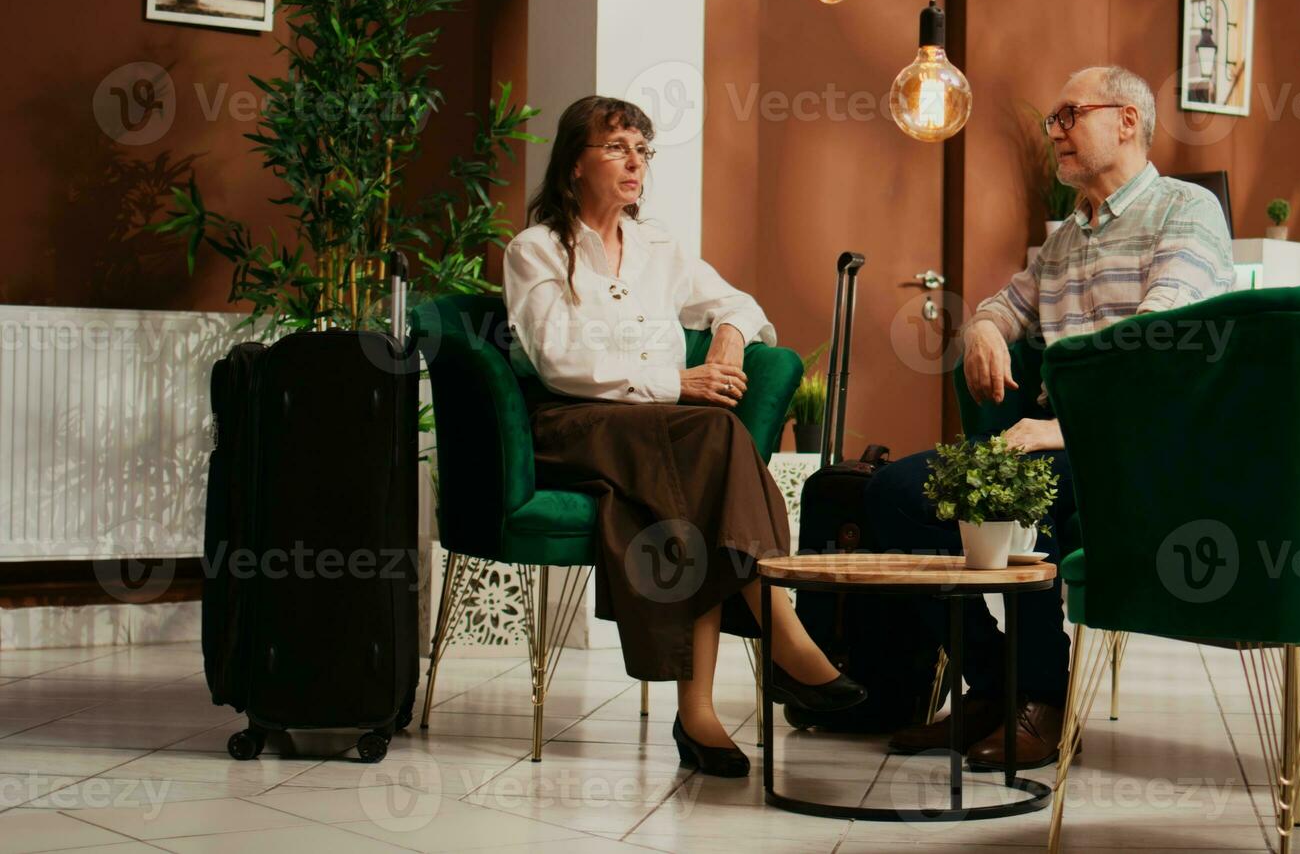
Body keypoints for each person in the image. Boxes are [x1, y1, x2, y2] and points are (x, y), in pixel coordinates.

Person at [866, 66, 1235, 769]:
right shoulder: (1069, 235)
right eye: (1054, 118)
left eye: (1070, 115)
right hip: (1052, 440)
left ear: (1126, 121)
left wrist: (1060, 430)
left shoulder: (1182, 212)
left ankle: (1041, 696)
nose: (1055, 131)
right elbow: (1010, 303)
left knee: (1020, 481)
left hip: (1142, 447)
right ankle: (993, 683)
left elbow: (1155, 355)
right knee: (892, 495)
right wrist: (980, 330)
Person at [502, 95, 865, 778]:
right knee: (710, 437)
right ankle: (779, 638)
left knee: (700, 476)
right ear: (574, 163)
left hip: (657, 434)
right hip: (571, 425)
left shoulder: (655, 244)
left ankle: (700, 714)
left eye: (643, 148)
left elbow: (739, 304)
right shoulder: (536, 249)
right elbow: (561, 363)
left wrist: (727, 337)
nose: (634, 161)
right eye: (616, 147)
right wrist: (679, 381)